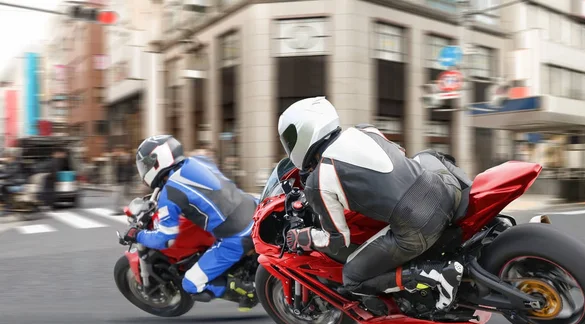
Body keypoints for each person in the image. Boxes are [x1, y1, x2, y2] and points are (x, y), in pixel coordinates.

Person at [278, 97, 465, 311]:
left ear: (304, 133)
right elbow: (398, 159)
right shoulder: (365, 130)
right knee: (424, 156)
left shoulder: (318, 180)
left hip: (419, 225)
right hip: (445, 188)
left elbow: (338, 240)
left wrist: (305, 237)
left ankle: (438, 274)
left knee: (352, 278)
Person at [122, 135, 258, 311]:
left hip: (237, 236)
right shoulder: (199, 160)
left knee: (190, 284)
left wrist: (137, 235)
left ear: (157, 162)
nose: (144, 170)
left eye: (146, 165)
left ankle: (246, 290)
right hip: (254, 209)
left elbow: (165, 239)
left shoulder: (170, 195)